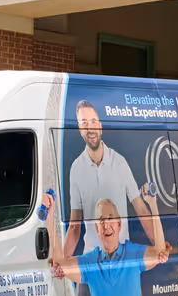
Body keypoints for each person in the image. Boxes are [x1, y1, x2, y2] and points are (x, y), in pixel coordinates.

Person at [60, 98, 167, 259]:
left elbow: (141, 210)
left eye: (93, 121)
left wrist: (160, 245)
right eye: (84, 123)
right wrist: (61, 262)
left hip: (122, 259)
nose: (90, 128)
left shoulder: (120, 162)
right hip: (91, 262)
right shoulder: (76, 168)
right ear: (79, 129)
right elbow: (75, 227)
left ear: (100, 126)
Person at [49, 198, 170, 296]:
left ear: (119, 224)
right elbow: (61, 265)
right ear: (97, 228)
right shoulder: (90, 261)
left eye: (110, 218)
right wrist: (49, 217)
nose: (106, 224)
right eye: (101, 220)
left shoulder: (133, 252)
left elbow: (158, 253)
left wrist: (153, 204)